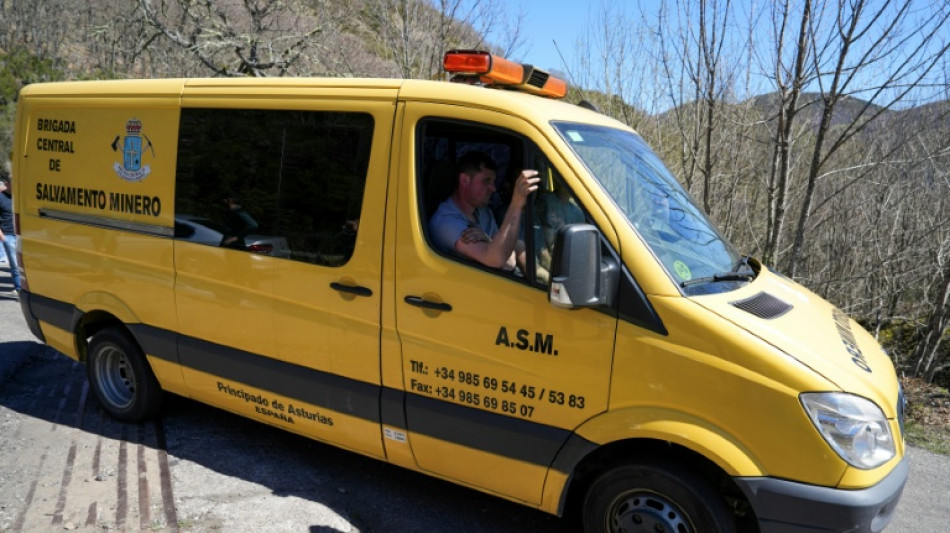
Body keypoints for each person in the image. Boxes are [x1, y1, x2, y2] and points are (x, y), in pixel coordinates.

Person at [429, 151, 539, 271]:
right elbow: (499, 259)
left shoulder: (484, 212)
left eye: (493, 182)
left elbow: (509, 261)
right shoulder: (446, 222)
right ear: (464, 180)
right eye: (486, 181)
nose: (493, 188)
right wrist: (517, 202)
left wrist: (488, 240)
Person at [0, 176, 21, 297]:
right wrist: (2, 237)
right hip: (8, 236)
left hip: (21, 235)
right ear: (7, 183)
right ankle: (19, 289)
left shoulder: (19, 198)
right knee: (15, 265)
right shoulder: (1, 198)